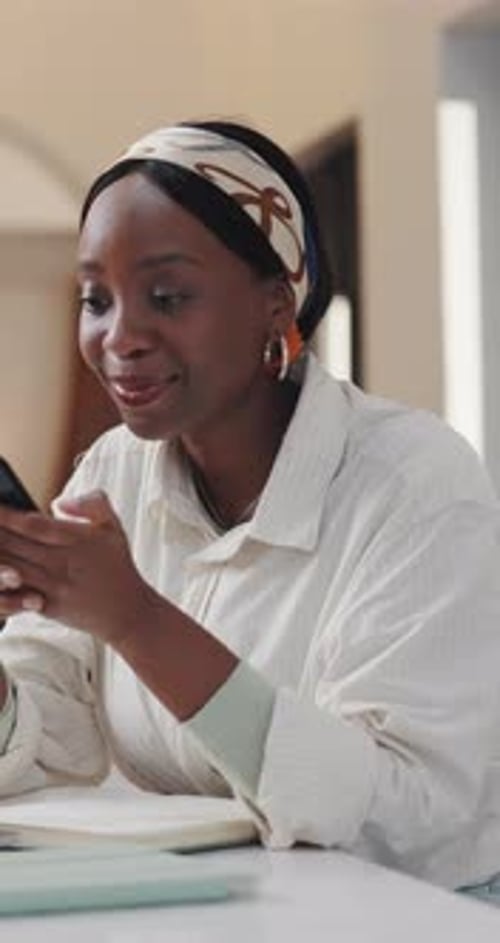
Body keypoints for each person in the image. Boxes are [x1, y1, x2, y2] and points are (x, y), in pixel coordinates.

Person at [0, 119, 500, 896]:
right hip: (226, 908)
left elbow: (402, 814)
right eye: (96, 298)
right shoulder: (114, 472)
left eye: (167, 295)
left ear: (276, 305)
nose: (119, 335)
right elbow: (50, 737)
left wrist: (135, 617)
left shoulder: (416, 484)